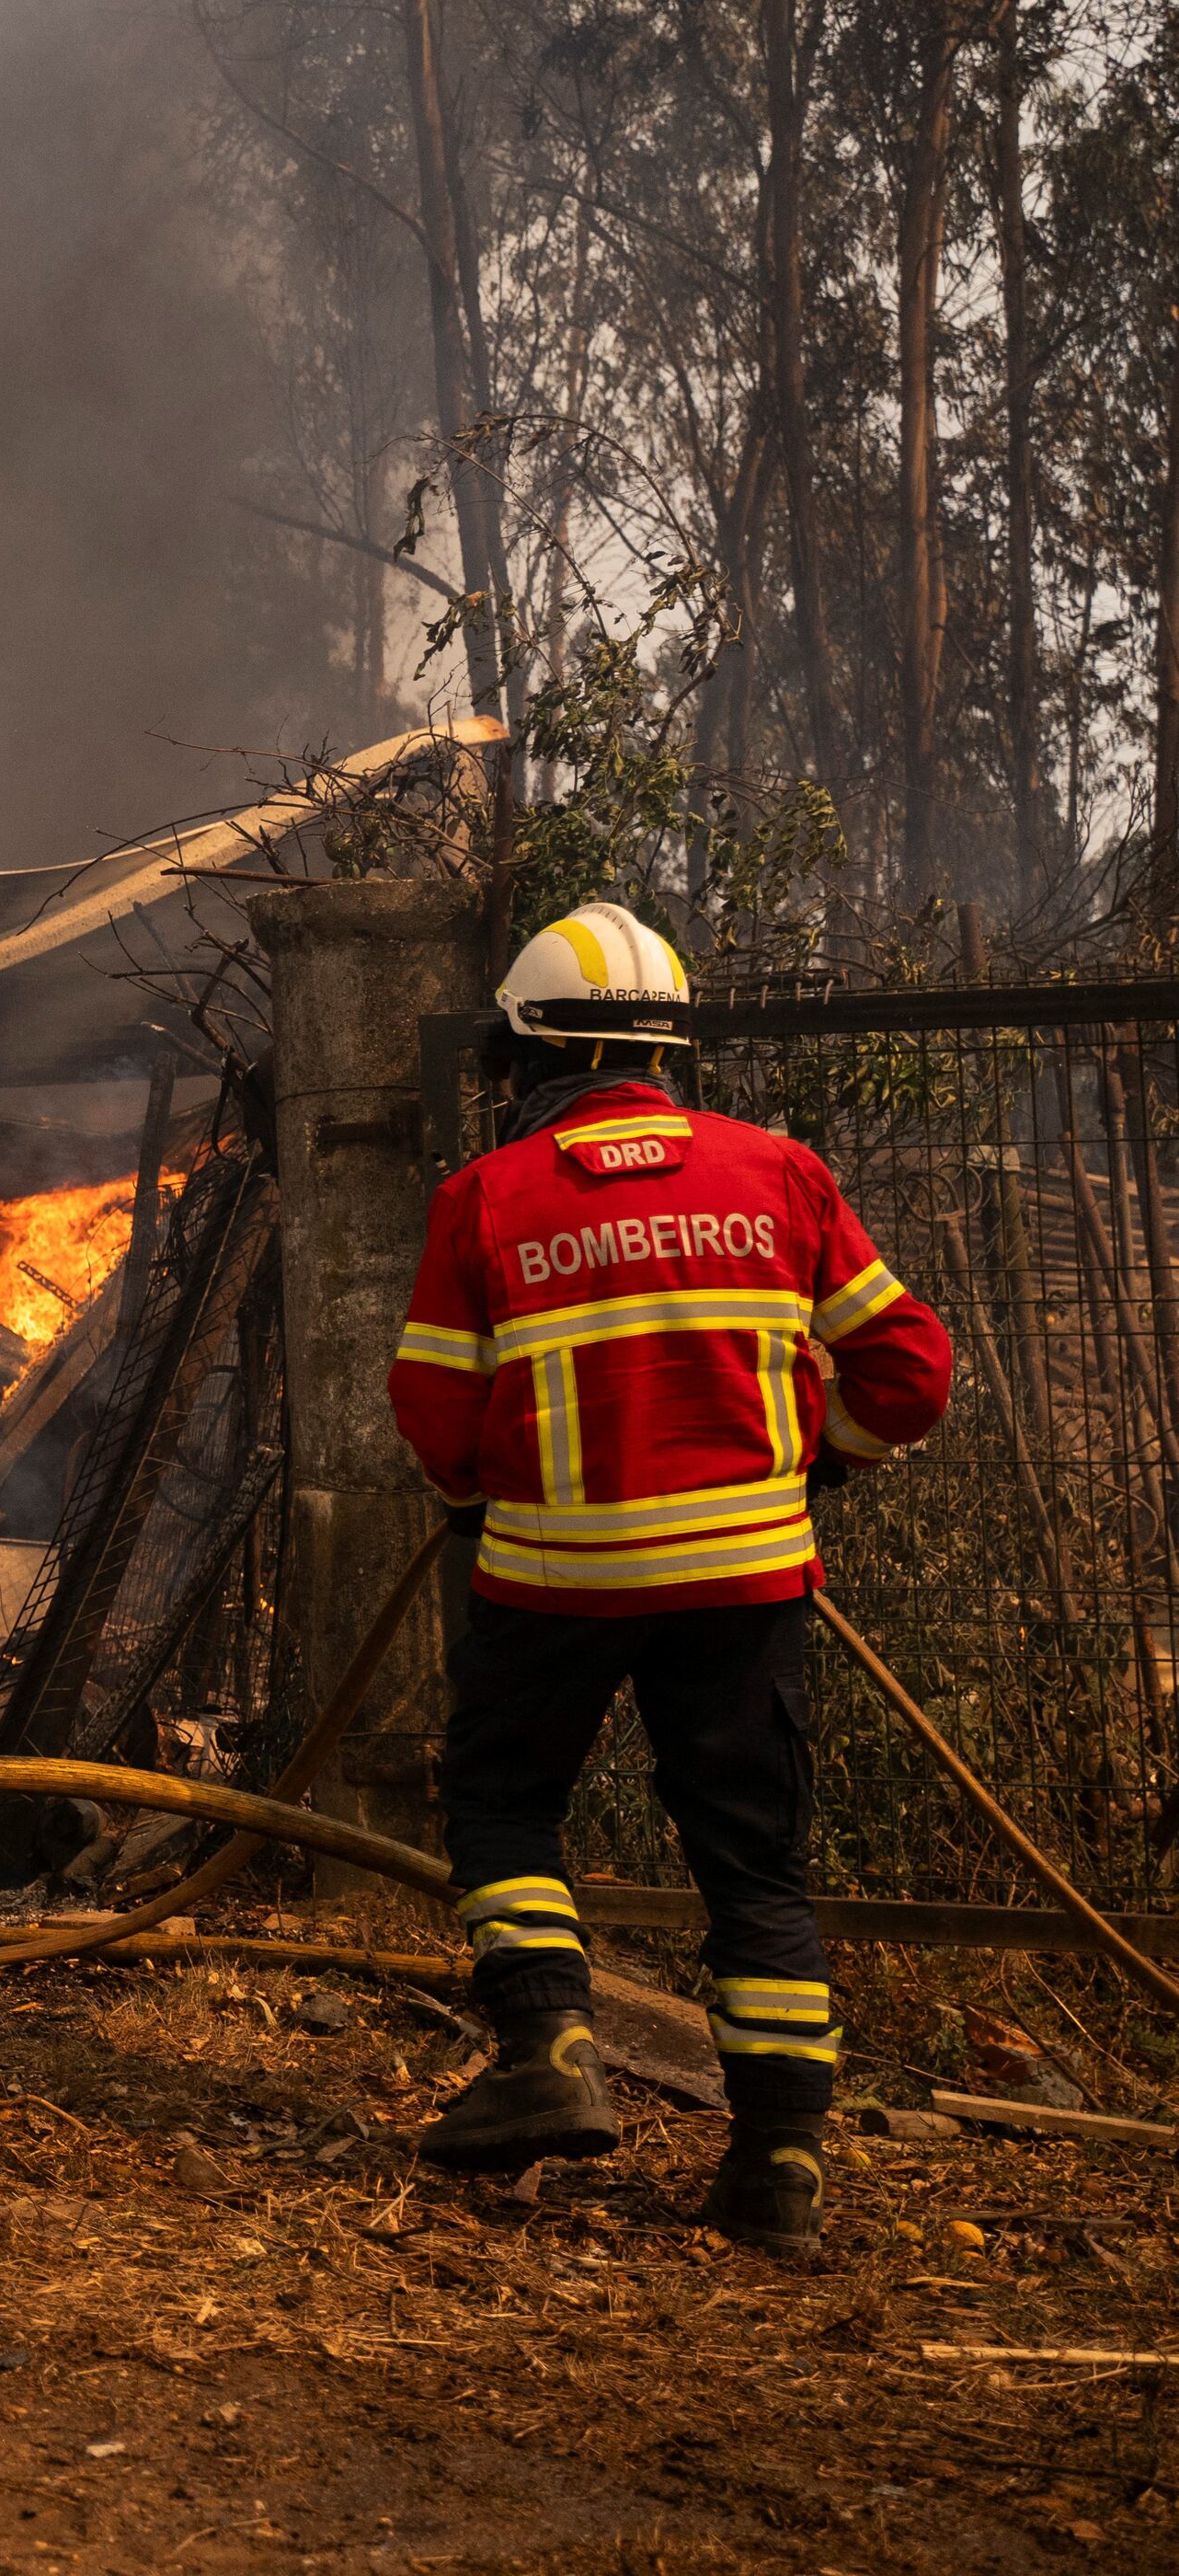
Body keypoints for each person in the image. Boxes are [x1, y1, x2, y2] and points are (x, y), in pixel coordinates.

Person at [390, 901, 953, 2260]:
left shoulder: (485, 1198)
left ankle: (548, 2048)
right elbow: (913, 1372)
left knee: (506, 1804)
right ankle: (776, 2166)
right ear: (664, 1052)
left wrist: (477, 1496)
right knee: (754, 1864)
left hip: (551, 1581)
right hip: (745, 1583)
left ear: (527, 1057)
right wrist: (817, 1461)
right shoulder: (779, 1173)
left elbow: (432, 1407)